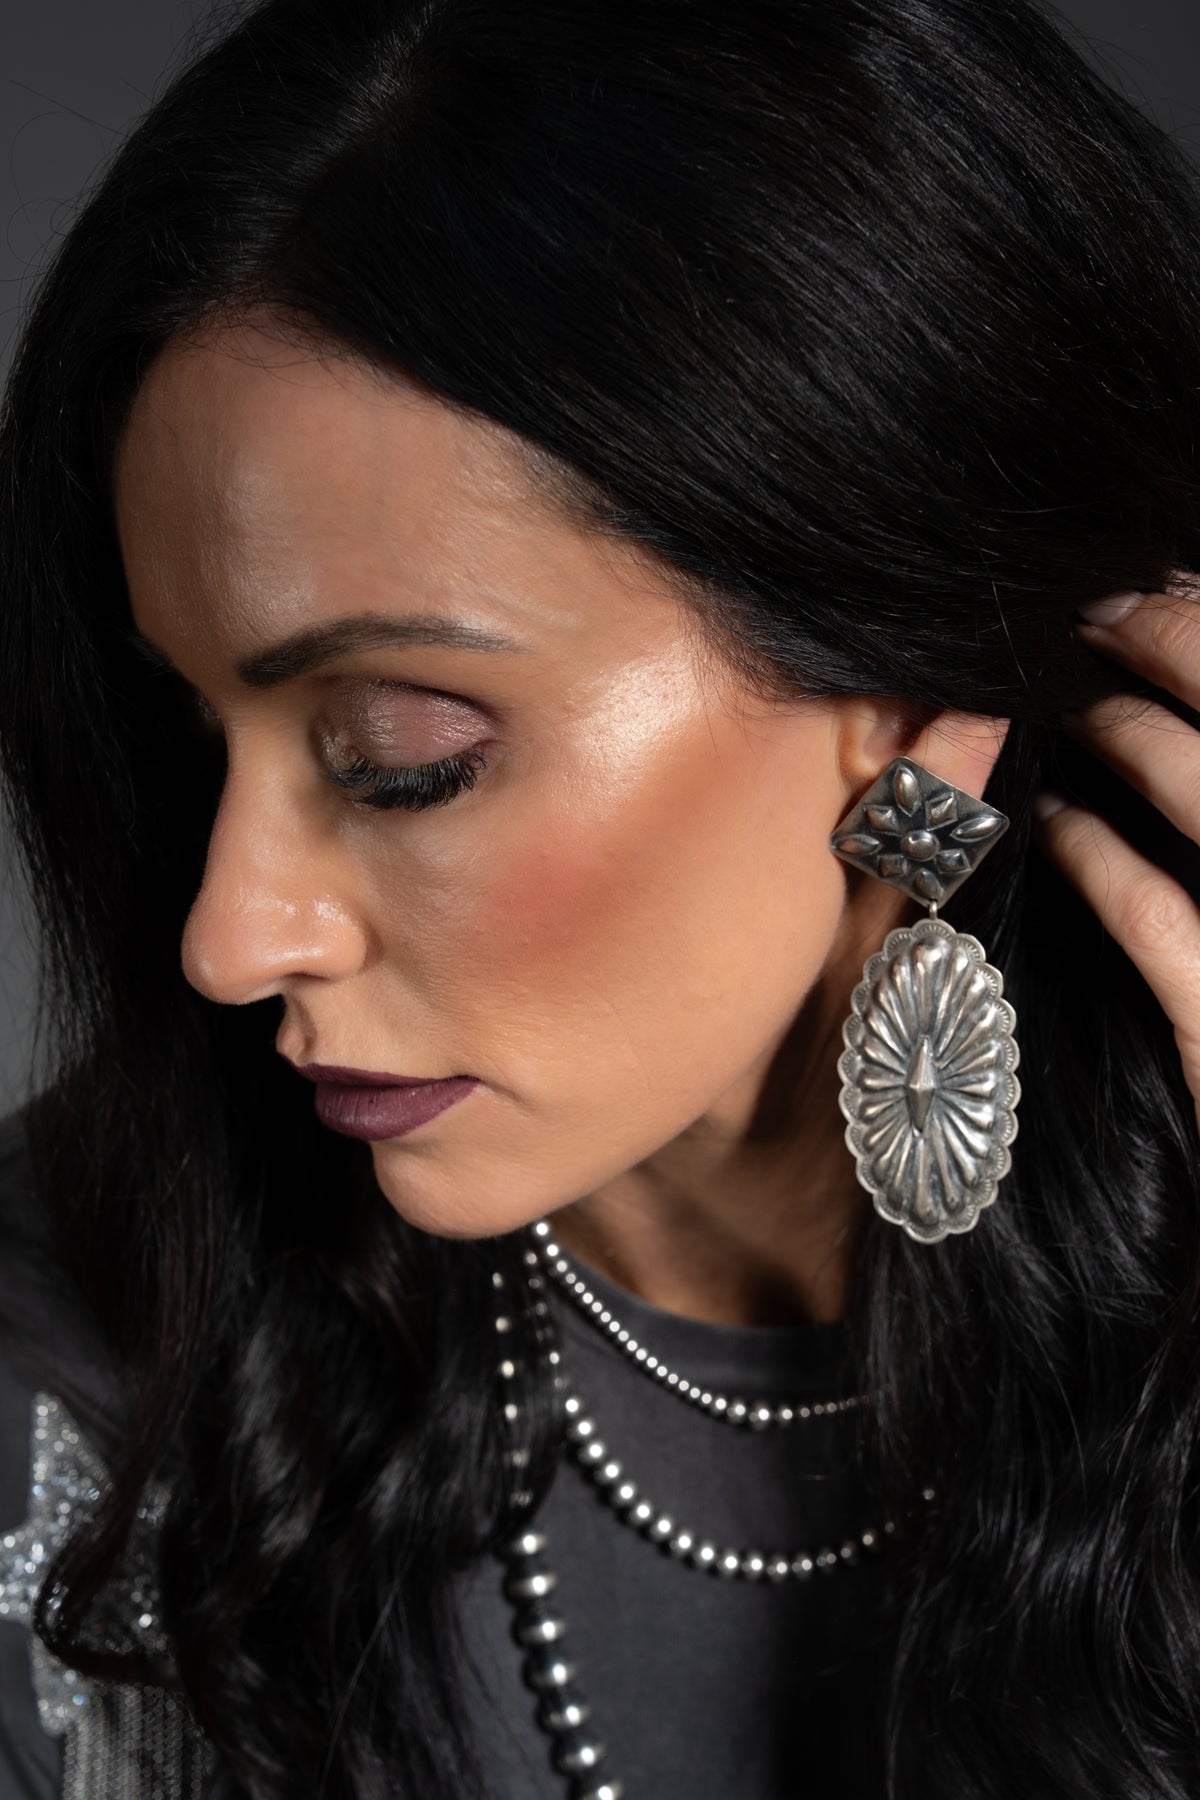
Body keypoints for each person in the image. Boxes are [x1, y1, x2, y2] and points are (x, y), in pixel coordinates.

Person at [2, 0, 1200, 1794]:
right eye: (192, 731)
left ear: (913, 705)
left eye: (401, 756)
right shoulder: (80, 1372)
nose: (228, 936)